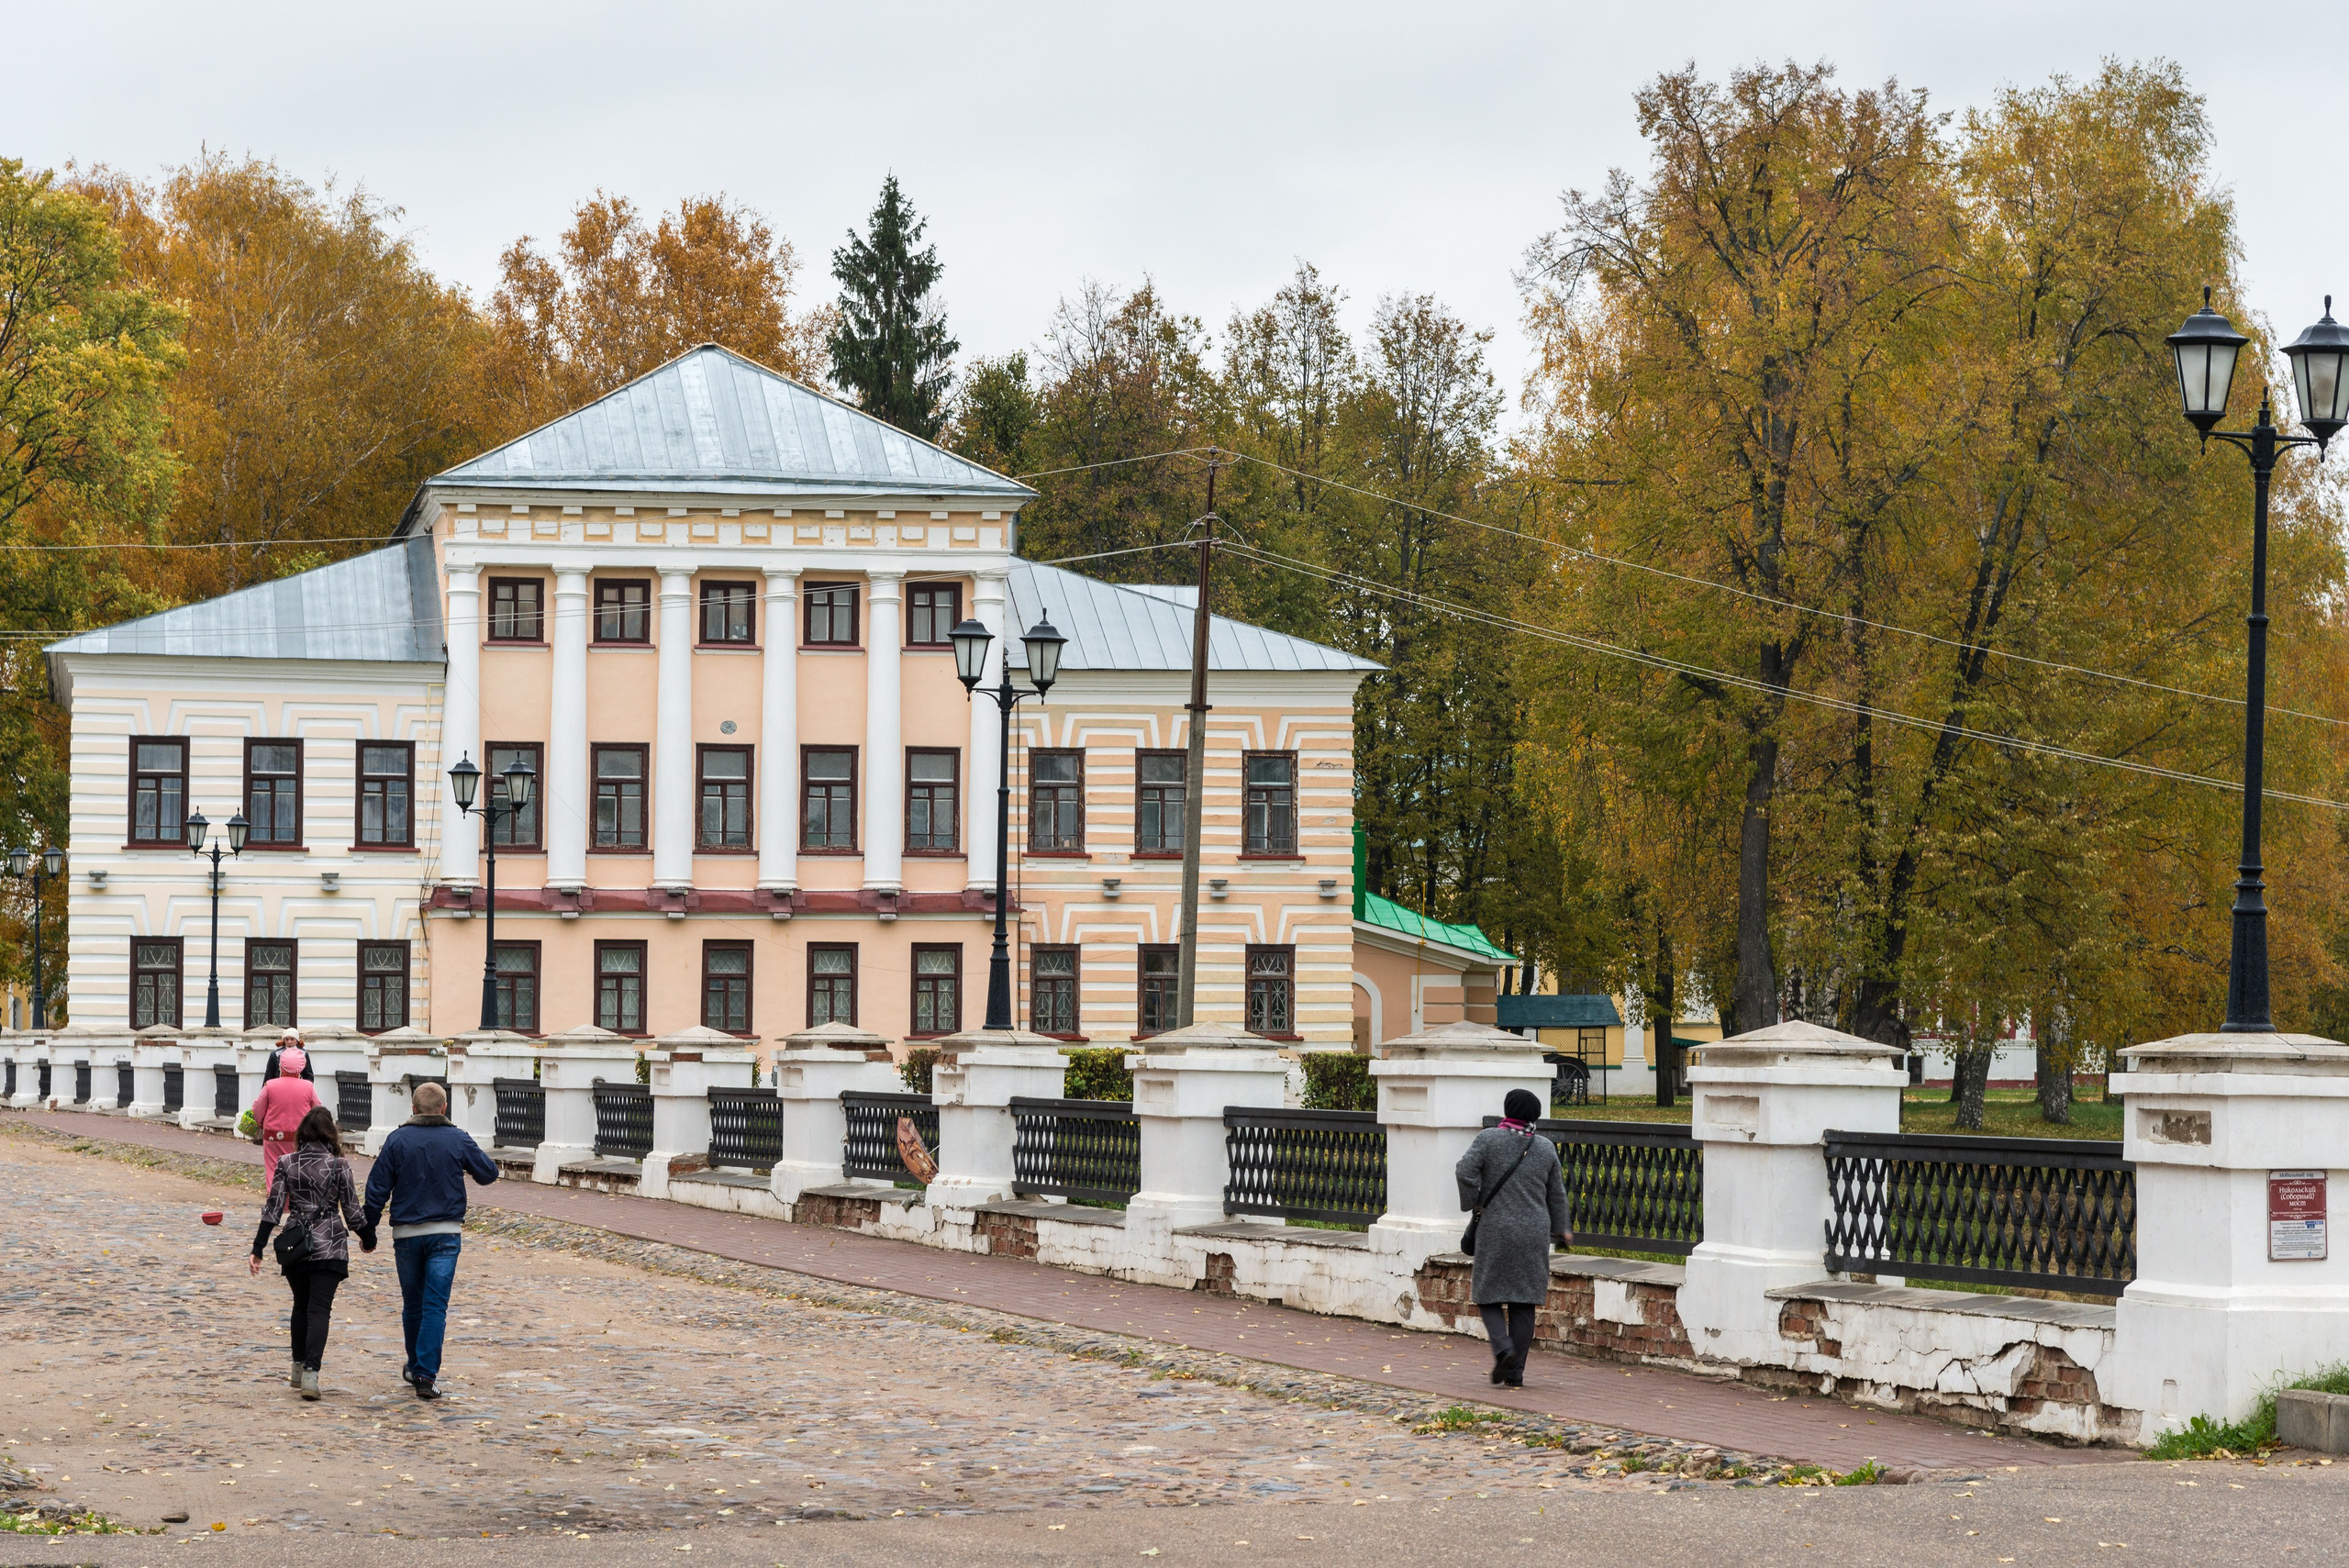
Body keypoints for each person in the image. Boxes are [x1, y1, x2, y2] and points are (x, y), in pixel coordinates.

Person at [362, 1080, 497, 1401]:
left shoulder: (397, 1140)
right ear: (444, 1108)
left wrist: (368, 1231)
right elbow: (488, 1173)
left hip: (407, 1234)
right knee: (435, 1304)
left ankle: (414, 1364)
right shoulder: (458, 1138)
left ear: (413, 1108)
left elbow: (376, 1189)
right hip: (446, 1232)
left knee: (413, 1303)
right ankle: (425, 1373)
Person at [251, 1104, 373, 1401]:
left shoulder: (287, 1162)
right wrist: (368, 1238)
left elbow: (273, 1208)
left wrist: (259, 1248)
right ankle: (310, 1374)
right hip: (330, 1245)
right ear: (330, 1133)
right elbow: (353, 1212)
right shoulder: (339, 1165)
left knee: (300, 1306)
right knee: (319, 1310)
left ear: (303, 1132)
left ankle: (296, 1368)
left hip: (297, 1245)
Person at [1454, 1087, 1572, 1388]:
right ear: (1535, 1114)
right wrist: (1562, 1228)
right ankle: (1515, 1374)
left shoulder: (1489, 1138)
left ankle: (1503, 1348)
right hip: (1534, 1232)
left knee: (1486, 1295)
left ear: (1507, 1109)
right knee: (1524, 1302)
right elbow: (1556, 1192)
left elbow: (1465, 1171)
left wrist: (1474, 1201)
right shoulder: (1545, 1147)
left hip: (1495, 1229)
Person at [250, 1045, 323, 1188]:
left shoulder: (270, 1086)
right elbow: (318, 1109)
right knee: (298, 1168)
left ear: (280, 1065)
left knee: (273, 1168)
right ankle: (295, 1200)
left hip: (273, 1136)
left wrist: (260, 1122)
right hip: (300, 1135)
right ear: (302, 1067)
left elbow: (257, 1108)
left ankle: (274, 1200)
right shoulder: (308, 1087)